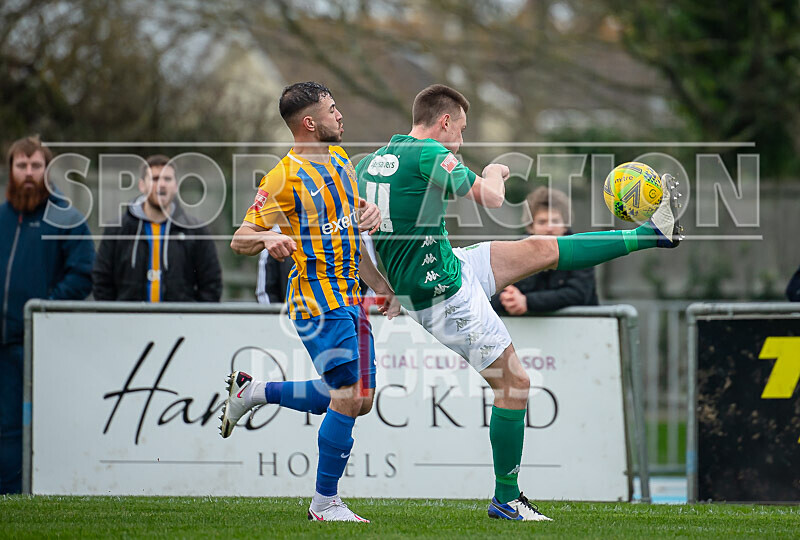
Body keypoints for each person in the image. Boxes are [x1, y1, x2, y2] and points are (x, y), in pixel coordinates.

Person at [355, 84, 683, 521]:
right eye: (463, 130)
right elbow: (492, 198)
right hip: (442, 294)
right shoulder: (429, 153)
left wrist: (384, 286)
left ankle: (652, 234)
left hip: (446, 268)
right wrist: (495, 171)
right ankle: (506, 498)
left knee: (542, 248)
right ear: (445, 121)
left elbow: (357, 238)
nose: (462, 141)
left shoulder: (367, 163)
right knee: (514, 385)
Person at [222, 82, 399, 523]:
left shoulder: (340, 161)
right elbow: (239, 239)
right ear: (309, 123)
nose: (340, 116)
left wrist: (379, 279)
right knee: (346, 394)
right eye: (332, 110)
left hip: (351, 298)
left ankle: (255, 391)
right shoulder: (282, 177)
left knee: (361, 399)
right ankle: (324, 504)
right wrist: (267, 235)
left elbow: (351, 228)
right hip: (316, 301)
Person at [0, 136, 95, 493]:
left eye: (35, 166)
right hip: (2, 342)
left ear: (47, 170)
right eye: (21, 165)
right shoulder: (2, 217)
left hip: (38, 344)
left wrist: (42, 310)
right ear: (11, 170)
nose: (28, 173)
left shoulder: (65, 218)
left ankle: (18, 496)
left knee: (28, 426)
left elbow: (83, 272)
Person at [92, 155, 222, 302]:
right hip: (129, 321)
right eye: (154, 179)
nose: (161, 184)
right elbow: (101, 280)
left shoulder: (196, 231)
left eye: (167, 179)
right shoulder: (117, 230)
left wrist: (192, 320)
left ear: (176, 185)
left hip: (180, 322)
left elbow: (211, 284)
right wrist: (116, 317)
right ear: (142, 185)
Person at [491, 187, 598, 315]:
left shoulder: (581, 251)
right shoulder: (515, 251)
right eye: (542, 222)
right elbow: (488, 292)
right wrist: (508, 299)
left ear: (565, 225)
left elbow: (578, 294)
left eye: (555, 221)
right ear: (530, 226)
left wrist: (528, 302)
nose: (549, 228)